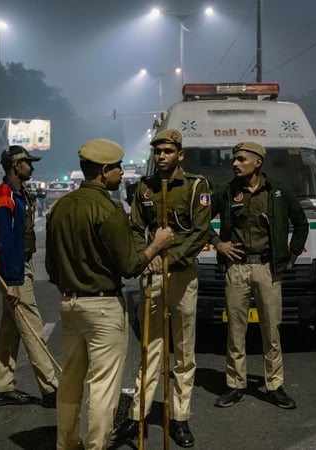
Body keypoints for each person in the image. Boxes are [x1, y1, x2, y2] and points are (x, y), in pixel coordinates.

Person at [45, 138, 174, 450]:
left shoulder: (60, 207)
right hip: (103, 306)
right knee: (103, 386)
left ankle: (66, 443)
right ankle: (96, 446)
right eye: (117, 167)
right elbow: (130, 265)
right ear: (104, 171)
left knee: (71, 380)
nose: (120, 173)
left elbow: (51, 268)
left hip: (70, 304)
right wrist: (156, 244)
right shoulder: (109, 208)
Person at [111, 129, 212, 448]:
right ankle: (138, 414)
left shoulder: (197, 186)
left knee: (183, 350)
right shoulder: (145, 187)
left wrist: (172, 258)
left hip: (182, 274)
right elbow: (135, 229)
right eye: (157, 152)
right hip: (153, 273)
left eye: (168, 151)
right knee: (149, 346)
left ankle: (180, 418)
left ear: (180, 154)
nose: (161, 156)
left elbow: (200, 232)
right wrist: (150, 255)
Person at [209, 141, 308, 410]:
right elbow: (201, 220)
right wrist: (219, 243)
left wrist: (292, 255)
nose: (235, 163)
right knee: (235, 331)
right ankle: (235, 384)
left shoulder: (277, 191)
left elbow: (301, 224)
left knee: (271, 330)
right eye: (234, 159)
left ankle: (274, 385)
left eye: (241, 159)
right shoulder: (227, 193)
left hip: (268, 270)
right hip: (237, 269)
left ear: (258, 162)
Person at [0, 145, 59, 408]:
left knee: (11, 331)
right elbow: (5, 242)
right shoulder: (3, 196)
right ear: (16, 165)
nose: (33, 166)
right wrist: (15, 281)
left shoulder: (18, 194)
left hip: (19, 267)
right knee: (33, 328)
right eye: (28, 162)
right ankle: (51, 390)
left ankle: (2, 387)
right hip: (13, 270)